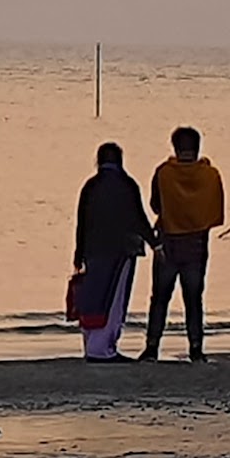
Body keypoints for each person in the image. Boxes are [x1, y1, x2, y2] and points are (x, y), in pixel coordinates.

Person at [139, 126, 225, 363]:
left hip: (168, 244)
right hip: (197, 244)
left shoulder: (164, 173)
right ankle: (195, 348)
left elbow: (156, 205)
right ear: (197, 147)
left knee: (159, 299)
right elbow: (214, 209)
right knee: (194, 299)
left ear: (175, 147)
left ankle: (152, 347)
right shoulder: (210, 175)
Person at [73, 142, 158, 363]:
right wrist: (154, 243)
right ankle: (104, 348)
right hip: (122, 250)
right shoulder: (127, 184)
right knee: (115, 299)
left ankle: (92, 346)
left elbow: (81, 222)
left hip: (93, 250)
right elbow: (137, 218)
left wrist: (78, 253)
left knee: (94, 297)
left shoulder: (90, 186)